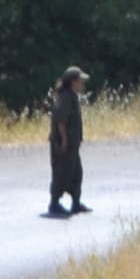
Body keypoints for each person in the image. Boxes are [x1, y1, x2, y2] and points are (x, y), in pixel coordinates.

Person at [44, 66, 91, 218]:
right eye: (80, 82)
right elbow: (60, 121)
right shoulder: (64, 97)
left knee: (76, 173)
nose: (82, 85)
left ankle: (76, 203)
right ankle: (54, 204)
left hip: (72, 145)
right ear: (72, 82)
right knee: (61, 173)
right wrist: (64, 140)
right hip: (63, 145)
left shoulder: (72, 96)